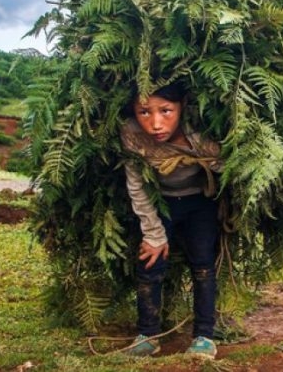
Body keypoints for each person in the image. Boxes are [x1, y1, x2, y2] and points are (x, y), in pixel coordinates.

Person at [119, 82, 223, 358]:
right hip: (160, 202)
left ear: (182, 107)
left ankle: (204, 336)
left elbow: (229, 164)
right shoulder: (131, 134)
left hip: (200, 202)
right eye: (144, 112)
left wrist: (210, 158)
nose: (155, 123)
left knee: (202, 262)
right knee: (150, 261)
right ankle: (148, 335)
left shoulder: (200, 133)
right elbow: (137, 185)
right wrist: (153, 232)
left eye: (166, 111)